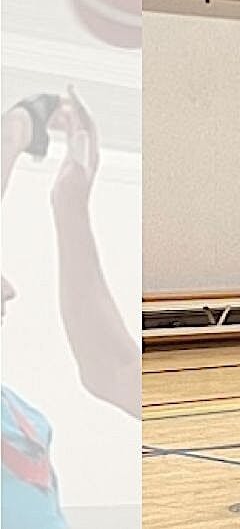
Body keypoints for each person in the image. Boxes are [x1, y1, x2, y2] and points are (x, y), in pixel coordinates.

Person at [2, 87, 141, 529]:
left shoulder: (23, 415)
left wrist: (70, 200)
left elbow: (112, 367)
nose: (11, 289)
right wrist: (19, 124)